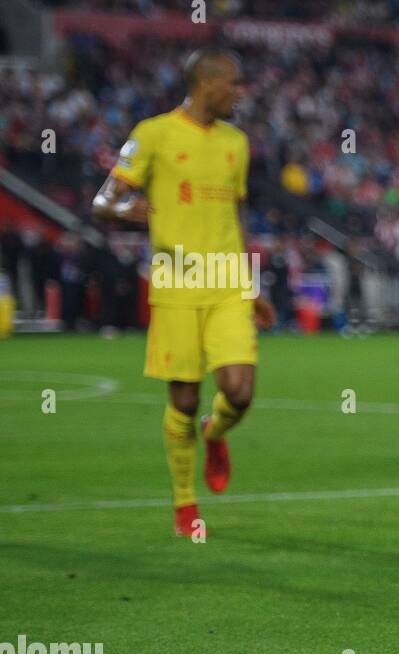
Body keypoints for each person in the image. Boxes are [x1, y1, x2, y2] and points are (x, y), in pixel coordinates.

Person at [93, 49, 273, 536]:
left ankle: (216, 433)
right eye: (234, 84)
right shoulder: (153, 134)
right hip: (175, 281)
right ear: (208, 84)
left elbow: (233, 219)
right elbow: (103, 199)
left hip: (227, 283)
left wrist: (251, 285)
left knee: (240, 389)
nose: (240, 93)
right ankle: (184, 504)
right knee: (186, 399)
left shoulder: (236, 143)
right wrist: (122, 209)